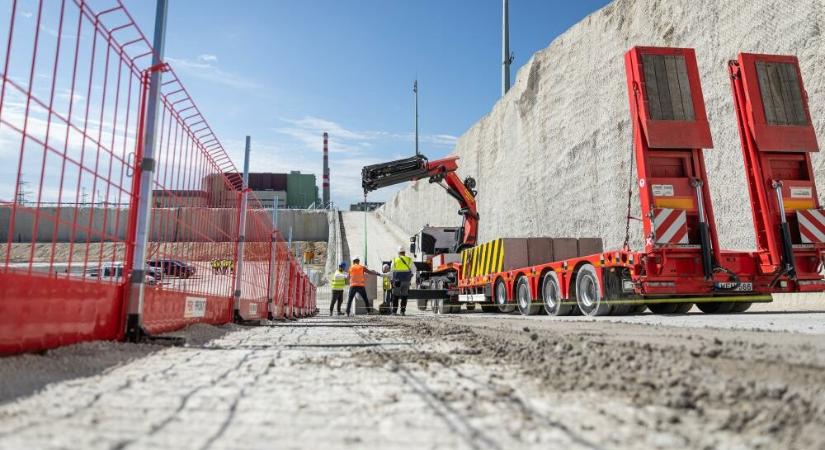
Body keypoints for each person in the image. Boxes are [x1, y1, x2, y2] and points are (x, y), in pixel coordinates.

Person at [391, 245, 414, 316]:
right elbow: (414, 269)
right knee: (404, 296)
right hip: (406, 281)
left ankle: (394, 312)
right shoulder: (409, 260)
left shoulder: (395, 260)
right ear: (404, 252)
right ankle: (402, 312)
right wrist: (410, 275)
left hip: (397, 281)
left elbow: (391, 271)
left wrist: (392, 280)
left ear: (398, 252)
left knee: (396, 296)